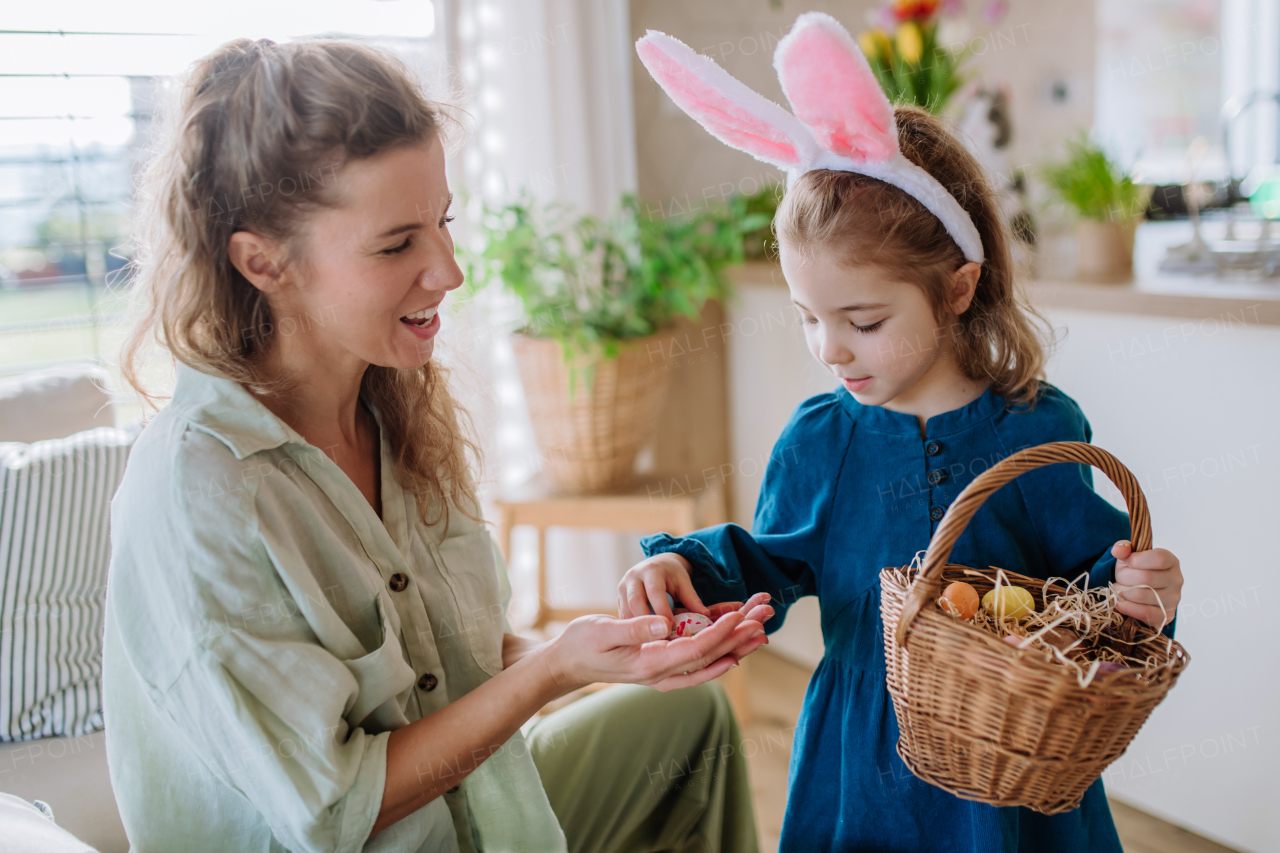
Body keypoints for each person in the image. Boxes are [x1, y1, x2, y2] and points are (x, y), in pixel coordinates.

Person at [102, 38, 772, 853]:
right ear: (262, 260)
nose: (448, 270)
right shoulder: (199, 491)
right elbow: (336, 807)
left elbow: (456, 657)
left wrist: (619, 649)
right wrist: (553, 665)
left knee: (687, 717)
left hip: (462, 821)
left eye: (442, 223)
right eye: (396, 245)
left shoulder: (395, 410)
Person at [623, 14, 1184, 853]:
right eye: (809, 317)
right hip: (862, 768)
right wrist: (685, 566)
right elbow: (769, 559)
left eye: (863, 319)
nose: (830, 348)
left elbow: (1092, 590)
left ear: (958, 289)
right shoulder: (820, 438)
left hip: (1003, 768)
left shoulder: (1036, 429)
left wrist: (1141, 594)